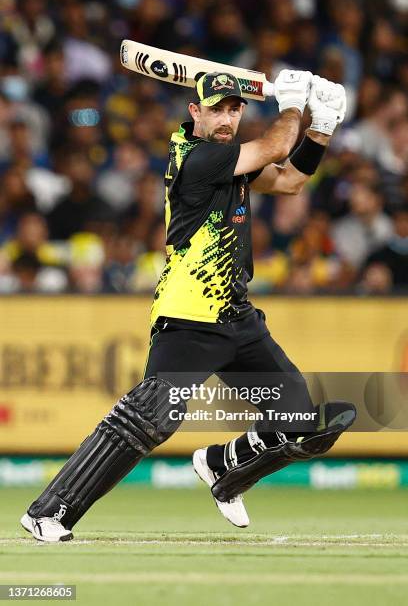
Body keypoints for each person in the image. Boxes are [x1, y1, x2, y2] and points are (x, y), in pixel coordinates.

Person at [20, 70, 355, 542]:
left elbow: (288, 182)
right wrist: (296, 106)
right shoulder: (198, 157)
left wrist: (324, 124)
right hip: (190, 315)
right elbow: (276, 149)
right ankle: (48, 512)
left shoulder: (231, 160)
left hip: (236, 316)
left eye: (234, 109)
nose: (226, 117)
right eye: (216, 108)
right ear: (194, 111)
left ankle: (221, 468)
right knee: (150, 418)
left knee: (296, 420)